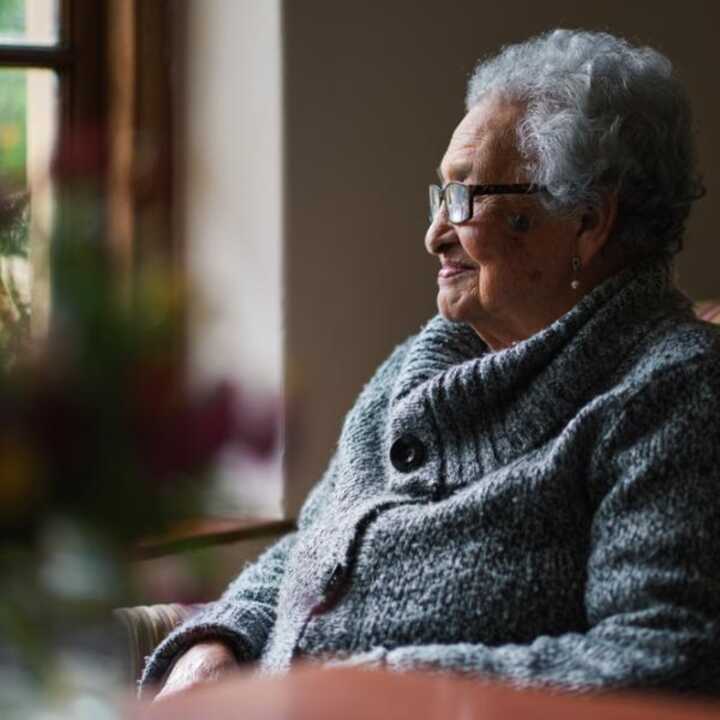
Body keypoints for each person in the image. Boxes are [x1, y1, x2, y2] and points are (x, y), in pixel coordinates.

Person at [141, 29, 720, 699]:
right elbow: (317, 545)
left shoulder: (673, 393)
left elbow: (664, 662)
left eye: (467, 198)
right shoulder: (419, 365)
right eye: (440, 196)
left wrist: (376, 690)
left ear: (587, 222)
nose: (435, 234)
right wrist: (220, 639)